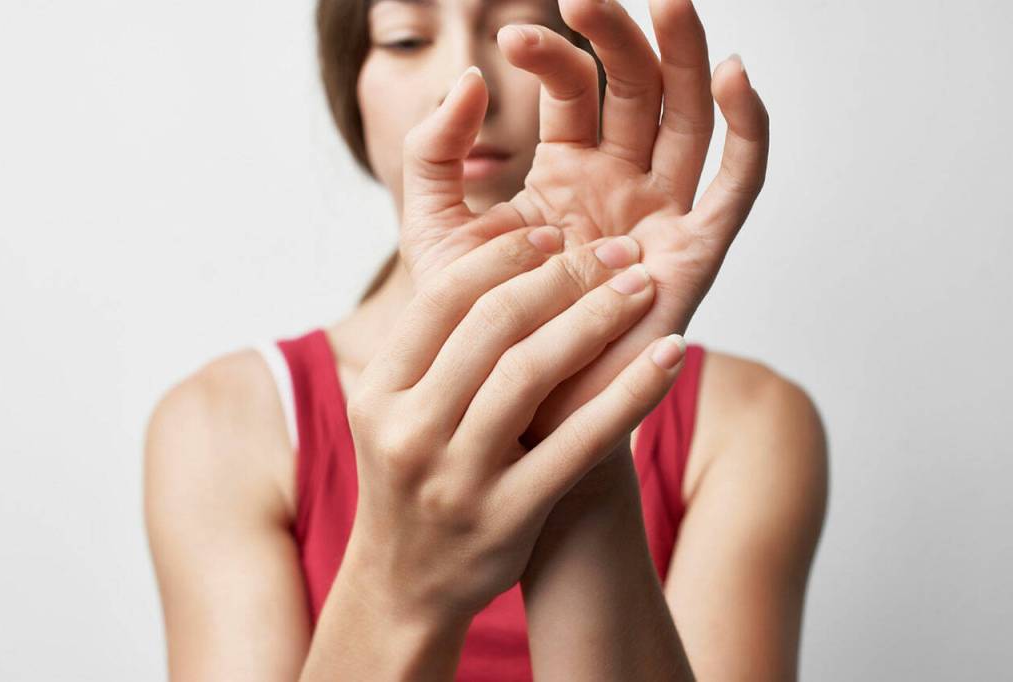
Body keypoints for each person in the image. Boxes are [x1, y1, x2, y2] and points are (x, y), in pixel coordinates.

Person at [144, 0, 829, 679]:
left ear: (592, 69)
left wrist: (582, 453)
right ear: (349, 86)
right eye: (407, 39)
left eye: (513, 34)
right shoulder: (222, 421)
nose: (463, 78)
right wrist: (400, 582)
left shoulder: (748, 422)